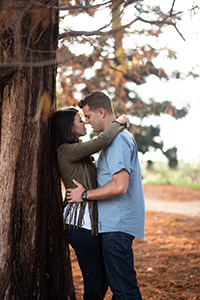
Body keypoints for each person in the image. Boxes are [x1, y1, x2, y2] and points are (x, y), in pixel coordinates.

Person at [66, 91, 145, 300]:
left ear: (101, 112)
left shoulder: (118, 141)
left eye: (89, 117)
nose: (88, 122)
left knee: (124, 290)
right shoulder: (113, 140)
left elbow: (120, 186)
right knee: (118, 289)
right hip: (112, 225)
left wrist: (84, 195)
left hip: (116, 226)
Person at [50, 107, 129, 300]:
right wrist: (118, 123)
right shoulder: (66, 151)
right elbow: (101, 141)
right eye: (79, 120)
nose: (84, 122)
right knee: (94, 280)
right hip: (79, 226)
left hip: (87, 225)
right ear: (68, 128)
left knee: (102, 278)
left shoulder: (76, 151)